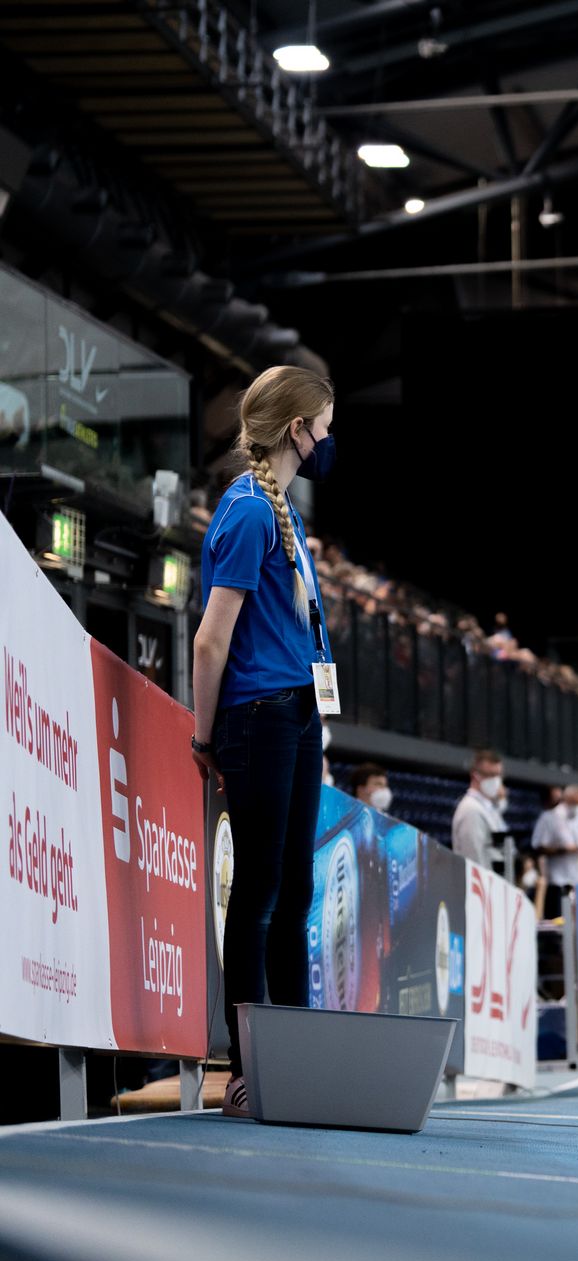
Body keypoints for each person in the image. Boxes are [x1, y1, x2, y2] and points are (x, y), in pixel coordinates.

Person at [189, 365, 339, 1120]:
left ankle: (294, 1055)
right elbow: (211, 641)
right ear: (295, 430)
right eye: (323, 425)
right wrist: (204, 735)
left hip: (298, 715)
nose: (327, 440)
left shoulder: (283, 513)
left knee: (296, 892)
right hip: (259, 717)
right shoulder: (248, 512)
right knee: (256, 893)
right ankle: (245, 1067)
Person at [530, 790, 578, 918]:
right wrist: (563, 850)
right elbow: (537, 846)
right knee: (558, 927)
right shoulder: (549, 817)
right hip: (558, 882)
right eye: (572, 802)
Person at [451, 749, 511, 872]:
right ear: (475, 776)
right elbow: (475, 861)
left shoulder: (487, 808)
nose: (496, 781)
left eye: (499, 775)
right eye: (491, 775)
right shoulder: (471, 810)